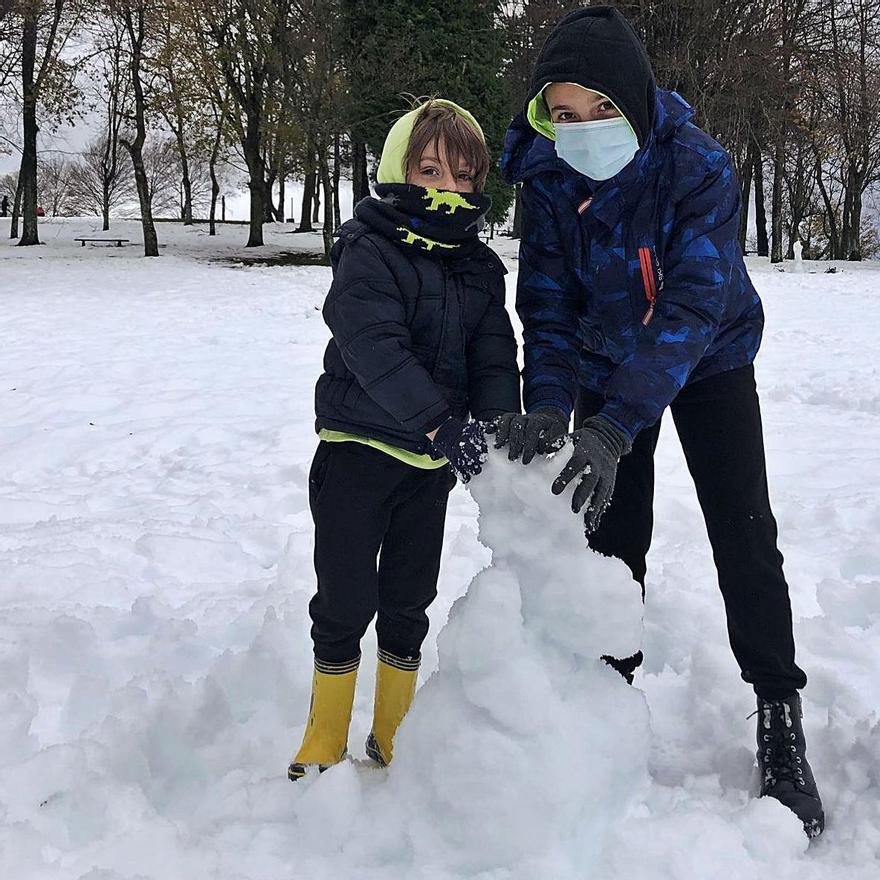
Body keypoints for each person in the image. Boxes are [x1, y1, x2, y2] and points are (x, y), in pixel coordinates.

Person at [491, 6, 824, 837]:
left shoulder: (698, 166)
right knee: (612, 533)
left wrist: (615, 429)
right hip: (606, 361)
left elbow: (691, 305)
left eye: (600, 109)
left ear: (635, 103)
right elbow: (551, 307)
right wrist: (551, 402)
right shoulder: (548, 177)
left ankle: (779, 709)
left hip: (707, 361)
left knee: (743, 533)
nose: (582, 129)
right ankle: (609, 695)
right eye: (562, 114)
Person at [288, 99, 520, 780]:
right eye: (429, 171)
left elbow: (493, 351)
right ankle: (325, 733)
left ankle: (392, 731)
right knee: (345, 599)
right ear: (398, 172)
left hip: (427, 468)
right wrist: (440, 422)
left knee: (408, 598)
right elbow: (373, 345)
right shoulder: (368, 250)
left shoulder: (478, 268)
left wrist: (500, 421)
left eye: (462, 178)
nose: (446, 191)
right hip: (358, 452)